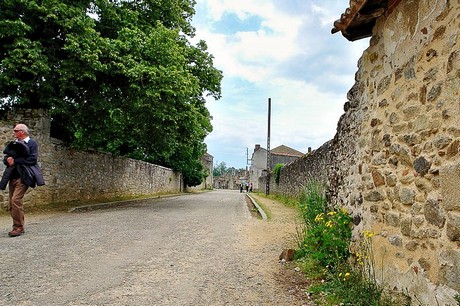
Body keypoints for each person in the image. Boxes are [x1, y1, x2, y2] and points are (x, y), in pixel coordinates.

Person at [2, 124, 44, 237]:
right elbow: (6, 158)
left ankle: (18, 227)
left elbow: (32, 159)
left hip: (24, 177)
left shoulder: (32, 143)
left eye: (16, 130)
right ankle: (18, 225)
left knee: (16, 200)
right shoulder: (14, 144)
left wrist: (15, 161)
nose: (14, 132)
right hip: (12, 177)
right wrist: (8, 160)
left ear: (22, 132)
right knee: (11, 203)